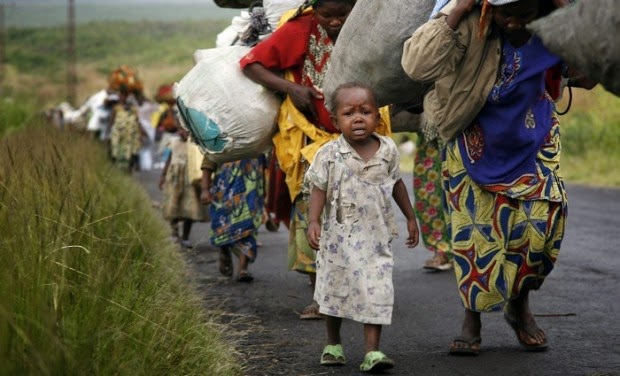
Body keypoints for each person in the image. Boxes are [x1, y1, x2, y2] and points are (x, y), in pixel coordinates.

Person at [401, 0, 597, 355]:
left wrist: (572, 17)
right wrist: (458, 7)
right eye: (507, 13)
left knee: (539, 231)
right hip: (471, 135)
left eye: (525, 14)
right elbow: (417, 65)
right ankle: (472, 319)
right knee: (477, 237)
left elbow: (592, 72)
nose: (514, 23)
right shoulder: (470, 22)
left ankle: (518, 303)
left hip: (534, 136)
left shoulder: (554, 23)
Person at [241, 0, 394, 320]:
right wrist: (291, 89)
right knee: (316, 212)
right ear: (315, 10)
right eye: (328, 15)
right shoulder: (300, 29)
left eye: (344, 14)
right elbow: (251, 63)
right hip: (312, 141)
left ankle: (361, 287)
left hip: (363, 140)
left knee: (362, 211)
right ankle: (320, 294)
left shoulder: (369, 29)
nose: (336, 22)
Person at [305, 82, 419, 372]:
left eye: (366, 112)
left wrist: (409, 216)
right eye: (349, 113)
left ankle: (373, 352)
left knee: (378, 290)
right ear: (335, 120)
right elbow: (318, 187)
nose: (358, 118)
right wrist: (313, 221)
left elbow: (397, 186)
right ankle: (333, 343)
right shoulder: (329, 154)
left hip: (376, 241)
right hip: (337, 241)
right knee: (334, 291)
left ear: (378, 118)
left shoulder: (389, 150)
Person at [200, 155, 267, 282]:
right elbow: (208, 160)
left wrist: (264, 189)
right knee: (223, 225)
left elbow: (263, 162)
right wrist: (204, 189)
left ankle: (243, 268)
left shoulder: (257, 136)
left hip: (251, 189)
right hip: (224, 189)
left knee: (248, 226)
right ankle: (224, 249)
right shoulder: (218, 137)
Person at [158, 128, 206, 248]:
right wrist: (163, 176)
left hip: (190, 181)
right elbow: (168, 160)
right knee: (173, 205)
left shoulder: (195, 144)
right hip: (174, 179)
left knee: (190, 208)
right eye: (181, 130)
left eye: (186, 130)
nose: (183, 133)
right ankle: (174, 233)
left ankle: (185, 236)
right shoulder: (173, 142)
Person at [108, 89, 144, 173]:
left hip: (130, 133)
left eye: (125, 96)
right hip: (118, 133)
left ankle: (129, 169)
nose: (123, 98)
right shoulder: (116, 108)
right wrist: (108, 133)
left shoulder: (133, 109)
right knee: (116, 149)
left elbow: (137, 121)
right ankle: (115, 169)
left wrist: (141, 134)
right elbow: (112, 121)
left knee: (130, 151)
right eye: (121, 96)